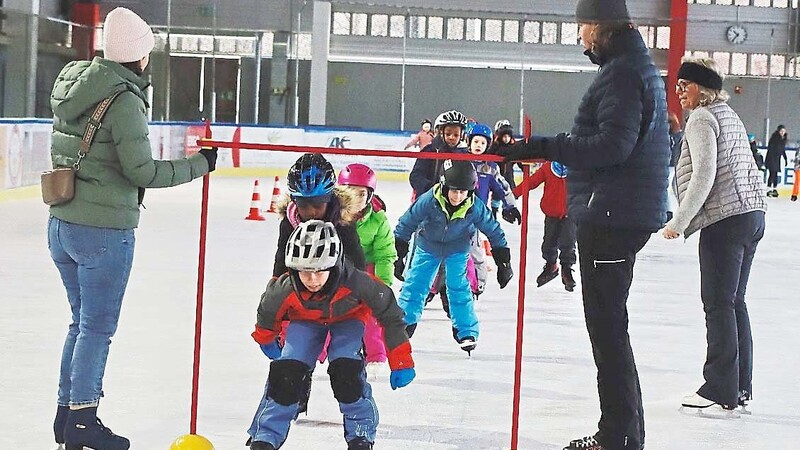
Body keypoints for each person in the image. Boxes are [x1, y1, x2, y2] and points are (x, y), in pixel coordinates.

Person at [47, 8, 217, 450]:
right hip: (102, 231)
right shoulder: (122, 100)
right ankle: (83, 419)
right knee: (96, 328)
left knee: (79, 323)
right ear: (139, 56)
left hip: (62, 223)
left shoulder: (75, 82)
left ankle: (67, 415)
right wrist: (200, 164)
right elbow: (142, 171)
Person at [504, 0, 670, 448]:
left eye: (582, 29)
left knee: (608, 331)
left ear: (598, 25)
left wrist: (540, 146)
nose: (581, 38)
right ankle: (624, 434)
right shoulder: (634, 66)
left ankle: (617, 436)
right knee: (611, 327)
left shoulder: (622, 72)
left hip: (613, 216)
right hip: (621, 212)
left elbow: (611, 146)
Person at [248, 221, 415, 450]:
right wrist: (266, 338)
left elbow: (390, 314)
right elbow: (267, 313)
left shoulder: (358, 282)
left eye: (319, 271)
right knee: (286, 372)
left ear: (334, 265)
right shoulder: (284, 288)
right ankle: (265, 436)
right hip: (304, 321)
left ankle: (360, 434)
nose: (313, 280)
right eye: (305, 272)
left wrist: (401, 360)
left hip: (348, 319)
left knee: (347, 370)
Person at [663, 57, 767, 413]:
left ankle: (718, 388)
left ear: (702, 89)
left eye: (684, 85)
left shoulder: (702, 118)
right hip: (752, 216)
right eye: (677, 85)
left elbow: (704, 176)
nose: (678, 92)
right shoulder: (728, 115)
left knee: (718, 303)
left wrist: (679, 221)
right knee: (735, 301)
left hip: (726, 220)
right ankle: (740, 387)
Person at [393, 160, 514, 354]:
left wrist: (503, 262)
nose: (458, 196)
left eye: (463, 192)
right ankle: (404, 322)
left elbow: (494, 230)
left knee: (459, 288)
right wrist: (399, 252)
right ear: (444, 186)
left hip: (457, 249)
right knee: (416, 283)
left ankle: (466, 330)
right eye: (454, 191)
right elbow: (408, 222)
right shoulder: (430, 200)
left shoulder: (475, 207)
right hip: (428, 246)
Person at [337, 163, 397, 375]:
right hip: (338, 269)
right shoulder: (333, 216)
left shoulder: (378, 219)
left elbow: (385, 253)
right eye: (350, 192)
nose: (356, 199)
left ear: (370, 196)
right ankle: (320, 352)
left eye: (362, 194)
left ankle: (376, 355)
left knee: (371, 313)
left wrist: (383, 284)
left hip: (368, 269)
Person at [273, 153, 365, 277]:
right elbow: (281, 266)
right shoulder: (288, 224)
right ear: (294, 201)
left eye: (318, 205)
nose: (311, 212)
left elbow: (356, 268)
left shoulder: (343, 223)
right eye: (304, 206)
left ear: (329, 199)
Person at [512, 161, 577, 292]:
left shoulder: (578, 168)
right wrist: (514, 194)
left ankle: (567, 268)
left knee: (568, 243)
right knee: (548, 243)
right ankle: (551, 265)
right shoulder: (548, 167)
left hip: (570, 213)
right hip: (551, 213)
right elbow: (531, 182)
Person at [408, 110, 468, 198]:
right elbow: (416, 176)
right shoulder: (430, 151)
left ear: (461, 136)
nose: (452, 137)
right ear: (440, 133)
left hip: (455, 201)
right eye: (448, 134)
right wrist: (431, 189)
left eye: (456, 135)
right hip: (429, 200)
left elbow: (470, 179)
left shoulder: (464, 155)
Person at [667, 112, 684, 221]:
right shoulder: (678, 136)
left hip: (669, 164)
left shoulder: (671, 138)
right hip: (674, 163)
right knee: (668, 188)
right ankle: (669, 211)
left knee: (666, 188)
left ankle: (669, 211)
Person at [765, 124, 788, 197]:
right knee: (772, 174)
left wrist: (785, 158)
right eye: (781, 131)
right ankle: (769, 189)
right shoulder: (775, 138)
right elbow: (771, 149)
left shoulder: (783, 139)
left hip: (777, 159)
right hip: (771, 158)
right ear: (778, 131)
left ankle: (775, 189)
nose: (782, 132)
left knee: (775, 175)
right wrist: (770, 158)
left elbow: (782, 149)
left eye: (783, 131)